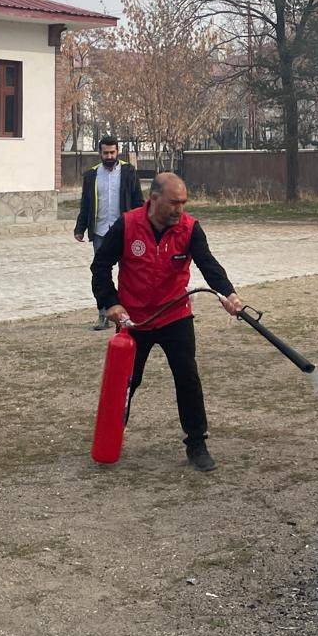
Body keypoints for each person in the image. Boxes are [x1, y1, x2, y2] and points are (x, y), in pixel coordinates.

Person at [91, 172, 243, 472]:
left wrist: (230, 295)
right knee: (126, 382)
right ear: (154, 199)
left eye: (184, 203)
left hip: (175, 316)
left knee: (187, 378)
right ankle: (109, 438)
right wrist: (110, 302)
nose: (179, 210)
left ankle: (197, 444)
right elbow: (100, 265)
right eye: (174, 203)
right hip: (134, 320)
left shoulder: (189, 229)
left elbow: (208, 265)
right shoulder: (127, 225)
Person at [74, 137, 144, 329]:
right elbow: (86, 204)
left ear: (118, 151)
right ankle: (104, 313)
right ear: (100, 153)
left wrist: (143, 225)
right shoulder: (92, 175)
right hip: (100, 231)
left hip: (125, 230)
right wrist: (80, 228)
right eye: (105, 153)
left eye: (112, 152)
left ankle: (129, 312)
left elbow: (138, 200)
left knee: (129, 272)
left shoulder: (129, 172)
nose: (109, 156)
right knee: (101, 273)